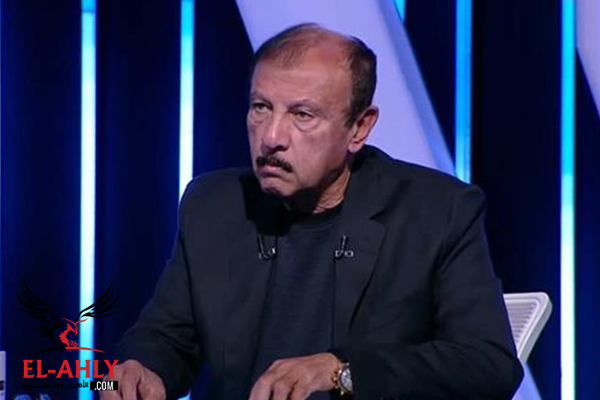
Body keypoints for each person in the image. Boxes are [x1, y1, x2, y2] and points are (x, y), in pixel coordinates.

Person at [105, 23, 523, 400]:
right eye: (261, 107)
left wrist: (341, 372)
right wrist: (143, 369)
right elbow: (168, 335)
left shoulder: (436, 212)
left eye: (302, 114)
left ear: (359, 127)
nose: (271, 136)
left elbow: (487, 365)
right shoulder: (214, 204)